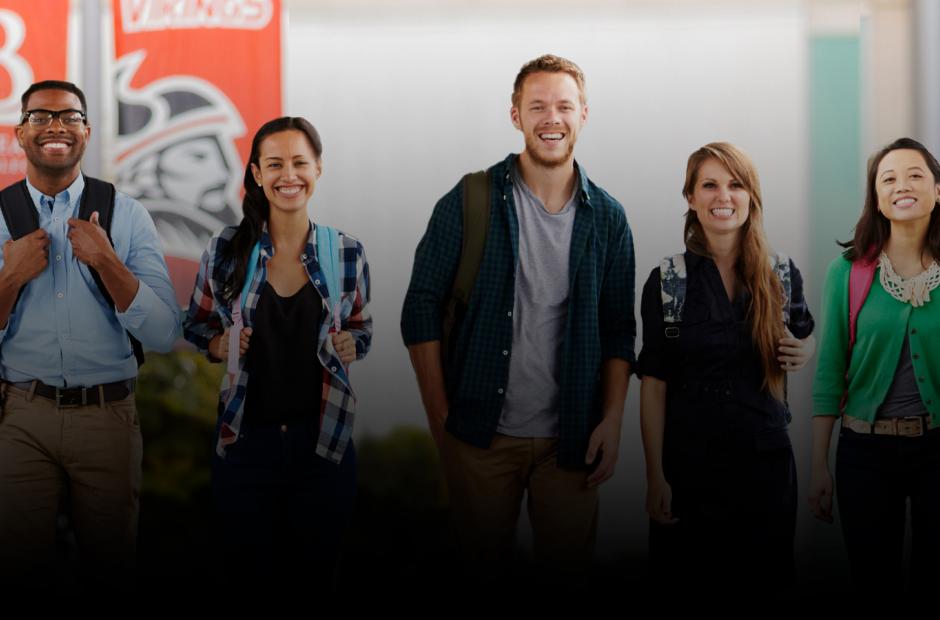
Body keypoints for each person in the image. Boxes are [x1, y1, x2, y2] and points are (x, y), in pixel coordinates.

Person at [401, 54, 635, 587]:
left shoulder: (609, 217)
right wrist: (441, 421)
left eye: (563, 106)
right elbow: (420, 308)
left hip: (571, 439)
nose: (551, 118)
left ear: (583, 115)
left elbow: (620, 328)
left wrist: (613, 421)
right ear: (516, 116)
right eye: (537, 107)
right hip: (480, 434)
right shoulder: (470, 200)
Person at [0, 80, 180, 587]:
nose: (55, 125)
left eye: (69, 116)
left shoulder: (128, 215)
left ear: (87, 131)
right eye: (40, 116)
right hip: (20, 419)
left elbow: (166, 332)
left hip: (108, 419)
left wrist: (107, 261)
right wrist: (10, 276)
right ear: (20, 133)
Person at [183, 116, 371, 588]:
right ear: (256, 174)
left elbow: (360, 328)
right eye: (275, 164)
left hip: (324, 445)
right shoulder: (226, 249)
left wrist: (354, 342)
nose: (290, 175)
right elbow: (196, 324)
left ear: (318, 169)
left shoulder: (347, 252)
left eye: (300, 163)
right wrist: (218, 344)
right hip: (245, 442)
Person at [638, 142, 815, 590]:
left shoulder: (782, 273)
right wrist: (655, 475)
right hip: (689, 470)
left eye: (736, 185)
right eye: (710, 185)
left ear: (751, 196)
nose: (724, 196)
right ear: (691, 198)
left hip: (767, 468)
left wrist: (806, 349)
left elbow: (805, 331)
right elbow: (654, 386)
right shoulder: (668, 281)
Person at [809, 137, 940, 591]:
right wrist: (819, 465)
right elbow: (829, 372)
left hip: (938, 448)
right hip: (865, 453)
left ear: (937, 191)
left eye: (915, 175)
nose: (902, 185)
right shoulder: (845, 272)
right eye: (889, 178)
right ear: (878, 199)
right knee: (873, 583)